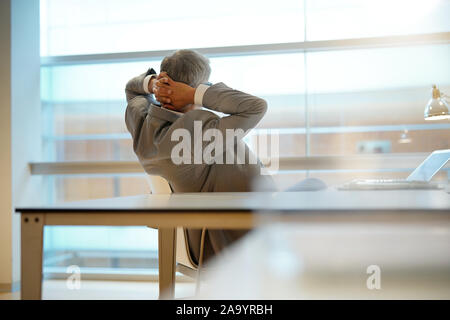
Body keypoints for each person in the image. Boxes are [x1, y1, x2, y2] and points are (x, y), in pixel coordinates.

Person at [124, 49, 276, 265]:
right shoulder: (197, 131)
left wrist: (154, 85)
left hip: (205, 239)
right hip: (243, 240)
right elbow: (256, 107)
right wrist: (193, 94)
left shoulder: (143, 125)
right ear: (191, 89)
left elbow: (132, 89)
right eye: (205, 86)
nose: (207, 91)